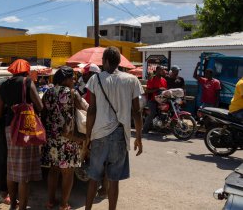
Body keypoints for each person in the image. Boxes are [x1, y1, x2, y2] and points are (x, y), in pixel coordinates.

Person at [85, 47, 143, 210]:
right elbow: (137, 112)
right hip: (120, 134)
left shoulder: (95, 79)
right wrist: (138, 137)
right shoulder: (131, 80)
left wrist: (88, 135)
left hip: (99, 134)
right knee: (113, 180)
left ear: (106, 61)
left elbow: (91, 110)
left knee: (94, 178)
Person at [0, 59, 43, 210]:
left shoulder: (3, 85)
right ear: (26, 70)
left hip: (9, 128)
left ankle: (13, 204)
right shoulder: (27, 82)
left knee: (12, 168)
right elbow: (40, 106)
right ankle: (21, 207)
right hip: (25, 129)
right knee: (23, 174)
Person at [41, 66, 88, 210]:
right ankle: (64, 204)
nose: (74, 81)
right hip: (68, 139)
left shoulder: (48, 92)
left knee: (53, 171)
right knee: (67, 173)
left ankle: (50, 202)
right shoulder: (72, 93)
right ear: (66, 79)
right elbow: (85, 108)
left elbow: (43, 115)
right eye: (72, 78)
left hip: (52, 138)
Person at [142, 65, 167, 133]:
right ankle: (145, 129)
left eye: (163, 70)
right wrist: (157, 89)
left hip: (161, 100)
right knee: (152, 113)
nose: (163, 71)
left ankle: (163, 126)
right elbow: (147, 91)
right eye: (161, 70)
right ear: (157, 70)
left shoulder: (164, 80)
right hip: (152, 100)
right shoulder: (152, 79)